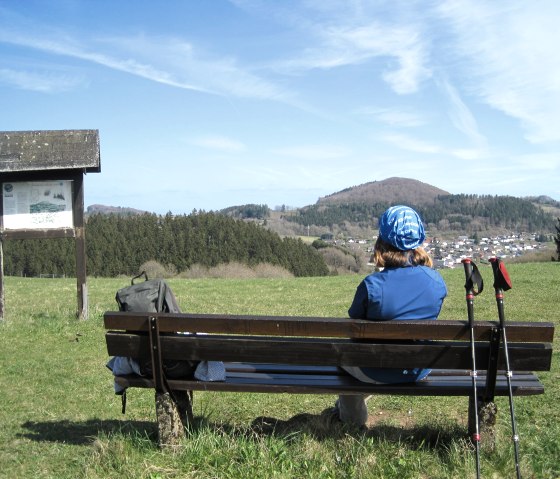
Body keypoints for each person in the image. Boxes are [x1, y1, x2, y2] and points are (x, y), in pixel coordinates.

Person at [334, 205, 447, 426]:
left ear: (382, 242)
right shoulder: (436, 282)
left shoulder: (372, 285)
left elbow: (354, 324)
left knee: (345, 353)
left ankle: (351, 421)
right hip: (418, 368)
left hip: (372, 369)